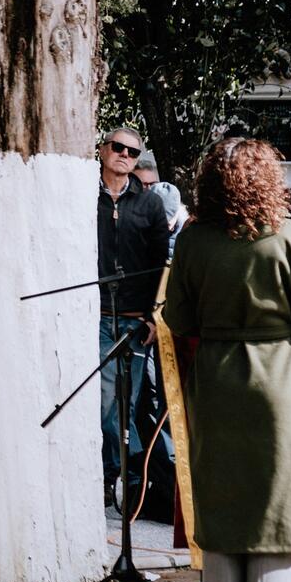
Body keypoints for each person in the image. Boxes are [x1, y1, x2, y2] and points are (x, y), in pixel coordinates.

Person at [162, 137, 291, 582]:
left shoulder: (193, 241)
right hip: (280, 380)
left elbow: (179, 319)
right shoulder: (290, 235)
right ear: (269, 179)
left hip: (217, 379)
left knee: (225, 497)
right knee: (276, 500)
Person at [96, 126, 171, 501]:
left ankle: (125, 476)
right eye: (118, 147)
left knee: (126, 402)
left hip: (134, 318)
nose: (125, 155)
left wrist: (154, 316)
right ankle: (128, 473)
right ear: (103, 149)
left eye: (132, 152)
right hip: (93, 315)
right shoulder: (83, 196)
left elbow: (162, 265)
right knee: (106, 401)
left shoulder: (150, 203)